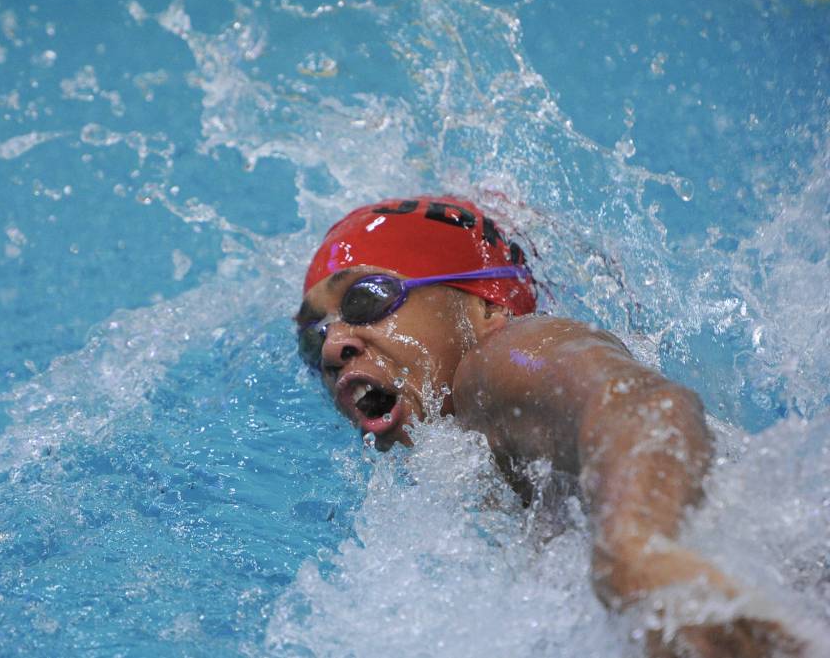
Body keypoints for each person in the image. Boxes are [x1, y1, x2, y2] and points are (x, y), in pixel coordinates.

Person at [295, 195, 806, 658]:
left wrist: (638, 555)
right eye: (312, 337)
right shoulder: (469, 463)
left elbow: (642, 405)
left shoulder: (497, 362)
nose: (334, 346)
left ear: (488, 307)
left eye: (368, 300)